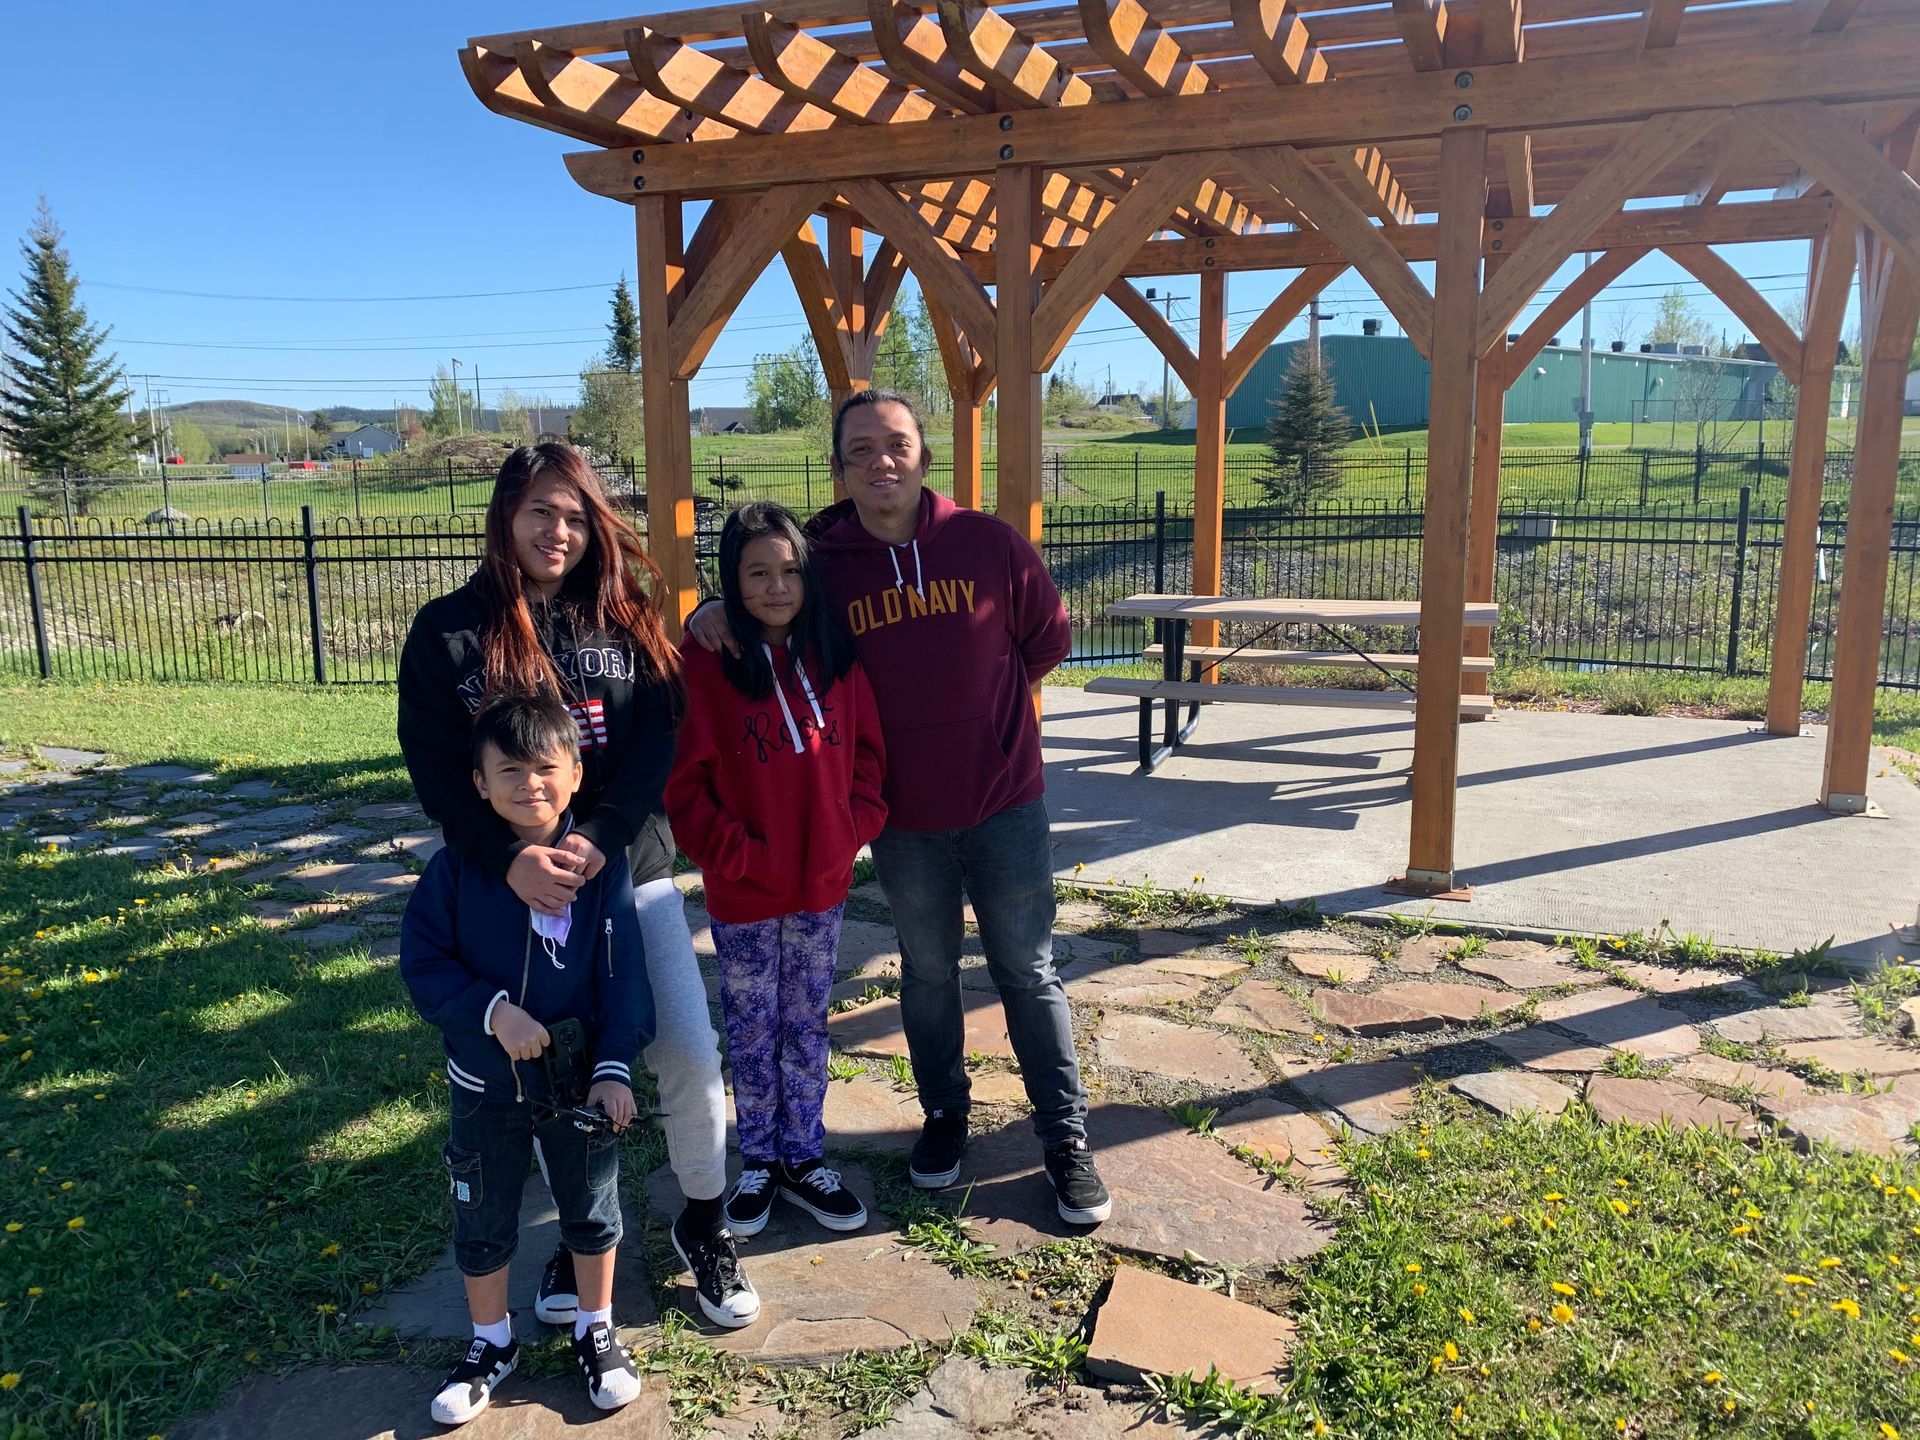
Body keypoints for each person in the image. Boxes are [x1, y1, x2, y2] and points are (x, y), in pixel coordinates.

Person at [688, 392, 1111, 1226]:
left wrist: (987, 725)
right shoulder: (823, 559)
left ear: (924, 454)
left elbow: (1047, 641)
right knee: (925, 974)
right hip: (904, 823)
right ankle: (945, 1119)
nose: (882, 461)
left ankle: (1064, 1140)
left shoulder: (987, 544)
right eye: (861, 449)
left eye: (898, 443)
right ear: (840, 467)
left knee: (1028, 970)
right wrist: (708, 611)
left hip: (1003, 805)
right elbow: (760, 592)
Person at [398, 443, 759, 1333]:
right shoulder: (448, 632)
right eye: (538, 514)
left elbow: (653, 749)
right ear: (504, 518)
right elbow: (439, 772)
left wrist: (600, 836)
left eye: (572, 515)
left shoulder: (627, 619)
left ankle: (705, 1223)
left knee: (682, 1049)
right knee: (554, 1072)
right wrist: (504, 857)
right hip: (510, 890)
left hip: (626, 875)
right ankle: (577, 1235)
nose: (556, 533)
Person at [400, 694, 653, 1424]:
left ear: (578, 774)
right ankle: (490, 1341)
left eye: (546, 768)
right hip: (483, 1084)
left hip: (577, 1085)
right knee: (481, 1212)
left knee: (592, 1204)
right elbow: (423, 961)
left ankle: (595, 1326)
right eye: (508, 770)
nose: (529, 785)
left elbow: (623, 974)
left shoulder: (603, 871)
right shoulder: (456, 870)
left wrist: (613, 1066)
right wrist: (491, 1010)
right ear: (478, 783)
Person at [666, 502, 887, 1238]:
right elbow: (685, 789)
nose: (776, 586)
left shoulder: (837, 655)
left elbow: (868, 762)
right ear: (731, 579)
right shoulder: (706, 662)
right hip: (744, 893)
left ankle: (804, 1156)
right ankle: (757, 1160)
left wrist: (848, 834)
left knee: (808, 1024)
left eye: (790, 569)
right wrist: (742, 855)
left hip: (821, 884)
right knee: (753, 1026)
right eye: (757, 572)